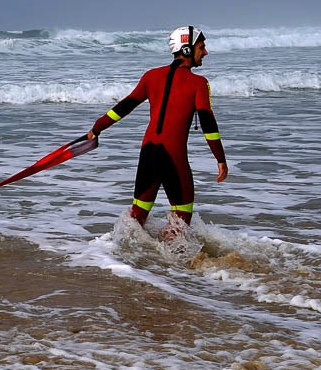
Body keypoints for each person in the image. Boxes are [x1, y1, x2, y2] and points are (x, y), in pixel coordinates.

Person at [86, 25, 228, 230]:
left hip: (148, 154)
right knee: (181, 219)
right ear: (186, 49)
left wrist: (97, 128)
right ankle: (174, 261)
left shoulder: (151, 76)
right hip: (173, 157)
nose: (205, 52)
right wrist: (220, 159)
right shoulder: (198, 84)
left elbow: (124, 107)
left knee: (137, 216)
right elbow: (208, 124)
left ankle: (120, 257)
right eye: (201, 47)